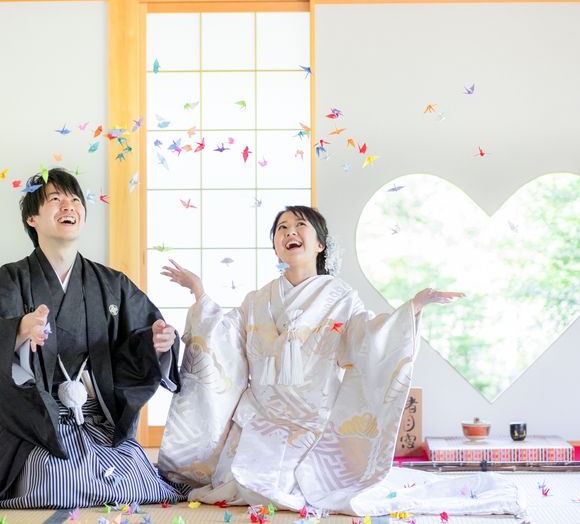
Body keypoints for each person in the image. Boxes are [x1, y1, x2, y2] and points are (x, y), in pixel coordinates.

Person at [158, 205, 526, 518]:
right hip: (260, 419)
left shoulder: (340, 297)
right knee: (245, 487)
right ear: (276, 246)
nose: (289, 232)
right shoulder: (257, 300)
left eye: (300, 225)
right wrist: (199, 292)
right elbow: (223, 344)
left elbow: (367, 338)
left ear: (320, 244)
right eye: (281, 228)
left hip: (311, 420)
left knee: (302, 490)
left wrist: (412, 308)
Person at [0, 168, 184, 509]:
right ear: (32, 219)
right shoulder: (9, 281)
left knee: (132, 478)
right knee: (54, 479)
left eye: (75, 199)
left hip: (98, 420)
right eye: (55, 199)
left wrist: (157, 343)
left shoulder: (111, 283)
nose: (68, 206)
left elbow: (144, 333)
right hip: (35, 427)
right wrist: (19, 330)